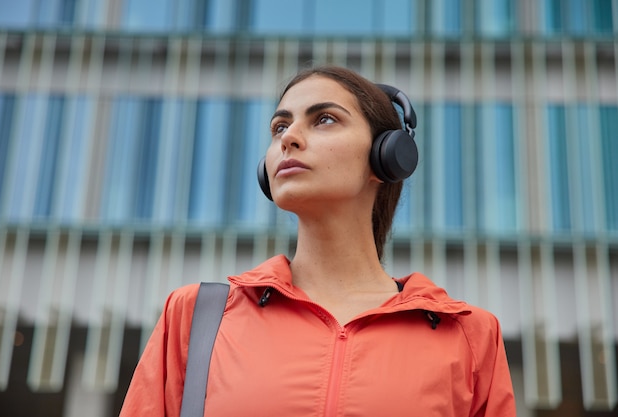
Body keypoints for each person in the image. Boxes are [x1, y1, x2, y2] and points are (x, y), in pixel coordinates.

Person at [119, 66, 516, 416]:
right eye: (280, 127)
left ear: (386, 158)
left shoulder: (469, 336)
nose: (289, 138)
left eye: (324, 119)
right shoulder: (196, 316)